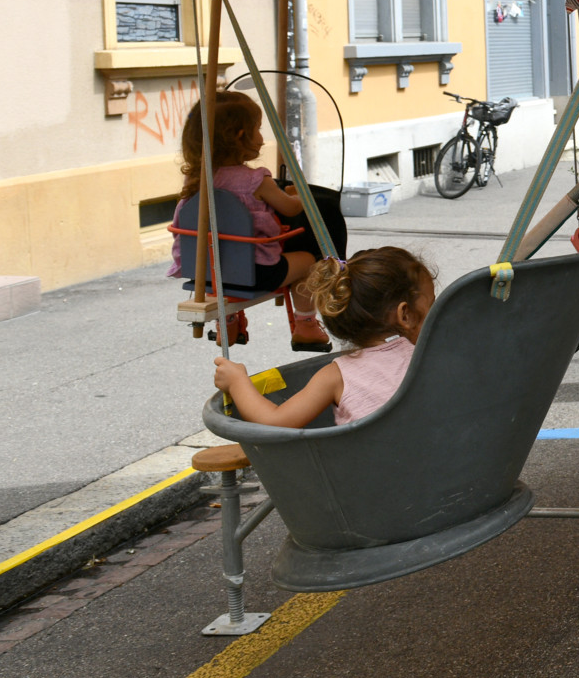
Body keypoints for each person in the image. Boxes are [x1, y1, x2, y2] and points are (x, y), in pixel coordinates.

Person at [171, 92, 327, 350]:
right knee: (310, 260)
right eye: (258, 129)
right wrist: (297, 194)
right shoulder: (257, 180)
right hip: (258, 273)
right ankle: (306, 324)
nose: (261, 138)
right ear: (240, 135)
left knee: (224, 255)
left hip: (205, 274)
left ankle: (228, 321)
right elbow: (290, 209)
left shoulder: (197, 180)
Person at [209, 249, 435, 427]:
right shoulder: (435, 354)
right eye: (432, 307)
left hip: (370, 479)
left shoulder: (335, 376)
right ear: (405, 315)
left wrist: (237, 381)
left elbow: (275, 421)